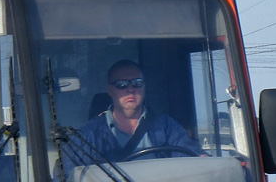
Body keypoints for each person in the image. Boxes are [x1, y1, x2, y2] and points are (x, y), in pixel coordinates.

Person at [67, 60, 201, 164]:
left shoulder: (167, 127)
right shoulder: (88, 135)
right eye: (122, 84)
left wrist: (204, 161)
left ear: (144, 87)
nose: (130, 90)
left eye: (137, 83)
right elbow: (65, 180)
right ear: (110, 90)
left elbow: (194, 162)